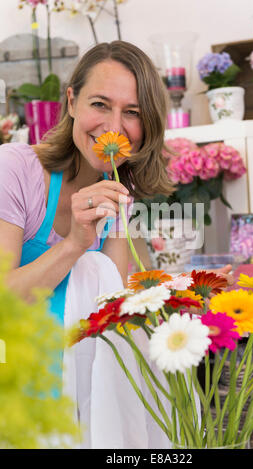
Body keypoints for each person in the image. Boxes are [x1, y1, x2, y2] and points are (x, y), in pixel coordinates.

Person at [0, 40, 232, 448]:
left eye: (133, 113)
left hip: (82, 392)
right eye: (100, 104)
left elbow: (117, 308)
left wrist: (182, 292)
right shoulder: (16, 168)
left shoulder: (122, 195)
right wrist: (74, 243)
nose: (113, 127)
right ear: (71, 101)